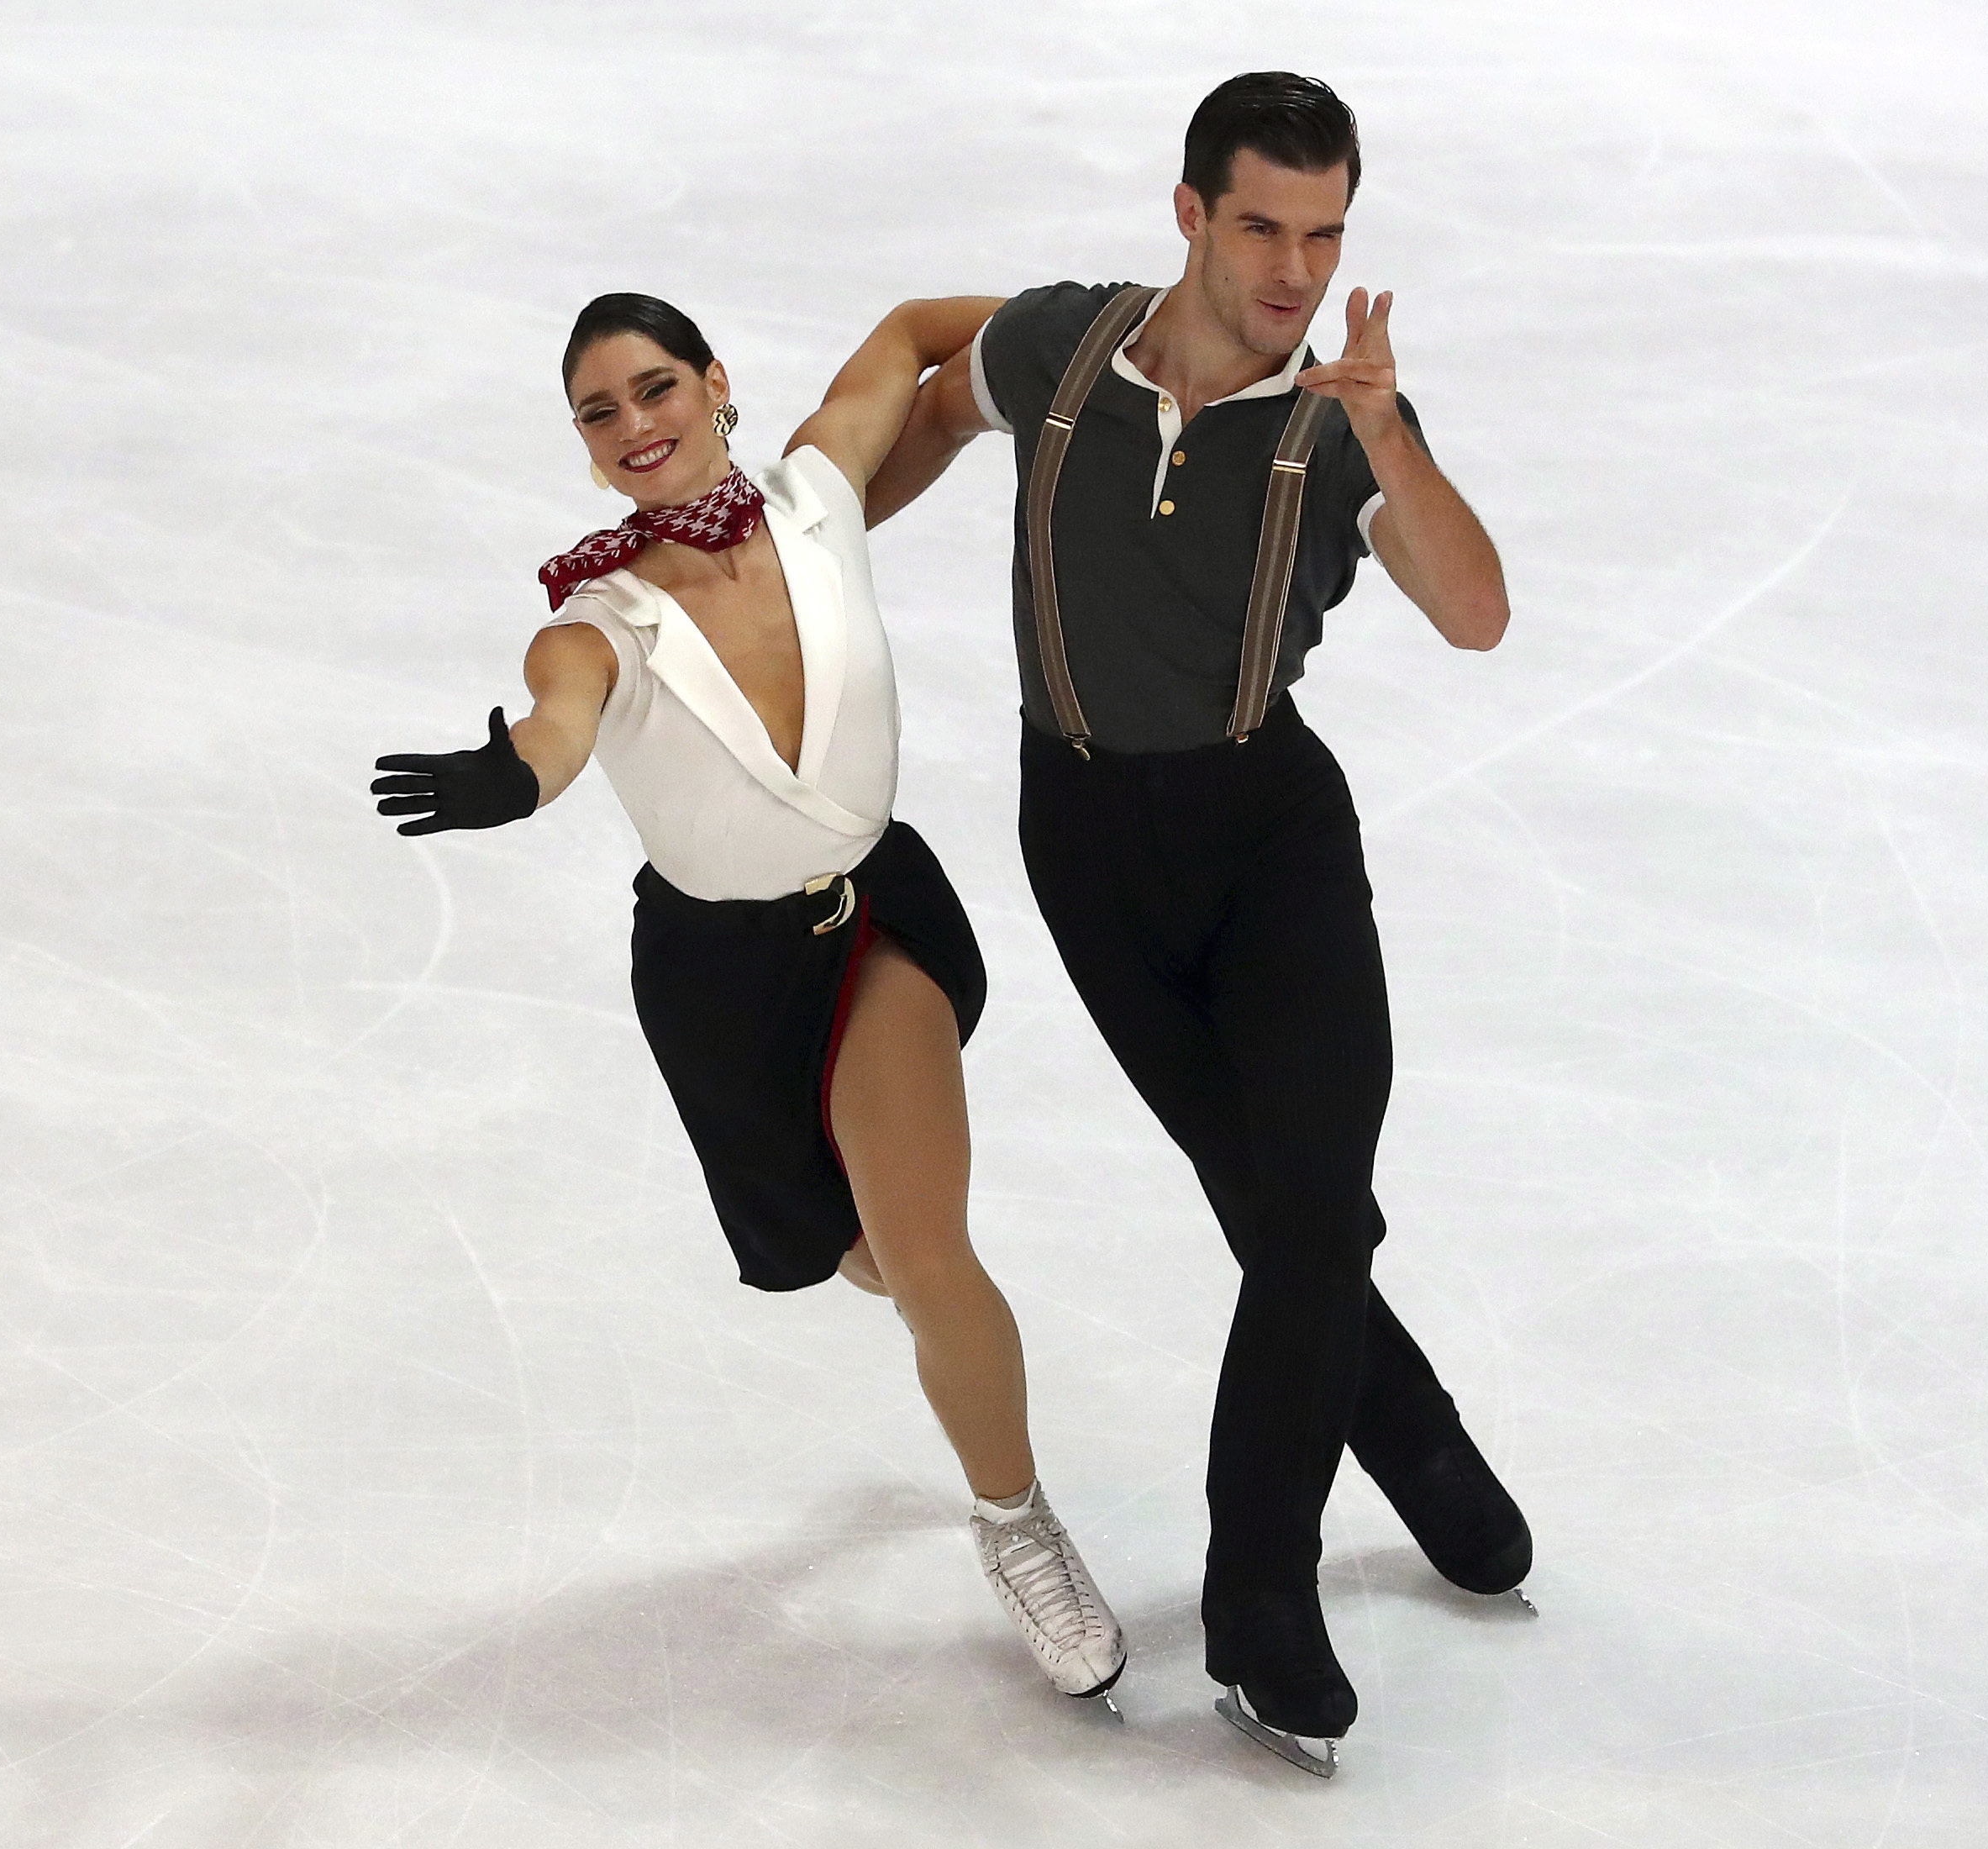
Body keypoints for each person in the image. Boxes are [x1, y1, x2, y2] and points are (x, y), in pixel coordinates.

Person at [864, 72, 1533, 1776]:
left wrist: (1387, 427)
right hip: (1089, 844)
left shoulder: (1336, 415)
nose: (1297, 268)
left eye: (1326, 232)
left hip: (1272, 838)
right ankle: (1419, 1431)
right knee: (1277, 1206)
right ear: (1188, 211)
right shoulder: (1067, 354)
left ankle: (1261, 1598)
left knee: (1309, 1212)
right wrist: (803, 539)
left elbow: (1475, 612)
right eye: (1263, 227)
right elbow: (933, 405)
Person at [369, 292, 1128, 1705]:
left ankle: (1018, 1523)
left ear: (716, 384)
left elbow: (909, 338)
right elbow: (557, 720)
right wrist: (511, 778)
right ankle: (909, 1299)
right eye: (599, 412)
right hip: (719, 987)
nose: (634, 426)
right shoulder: (604, 618)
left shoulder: (818, 494)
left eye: (655, 388)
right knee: (875, 1262)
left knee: (932, 1253)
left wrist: (1105, 325)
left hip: (874, 924)